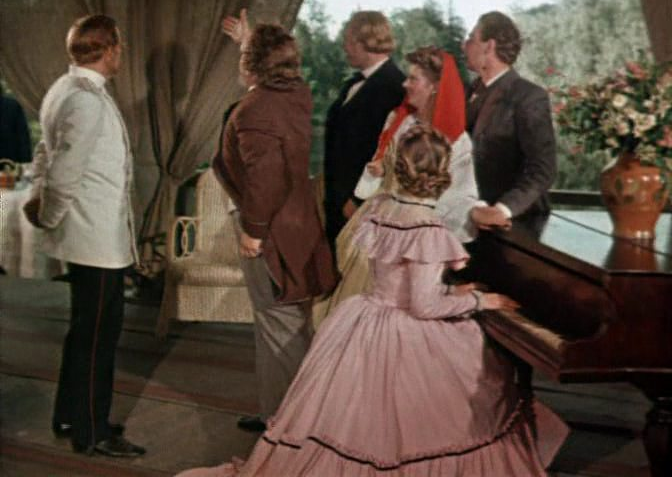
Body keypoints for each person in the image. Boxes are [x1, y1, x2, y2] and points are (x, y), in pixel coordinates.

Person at [176, 124, 568, 477]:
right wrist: (482, 302)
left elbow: (404, 285)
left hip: (362, 318)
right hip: (405, 327)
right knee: (474, 373)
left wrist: (455, 292)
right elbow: (424, 307)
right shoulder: (427, 228)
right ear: (444, 175)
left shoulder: (382, 210)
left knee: (353, 418)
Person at [22, 15, 145, 457]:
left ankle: (70, 414)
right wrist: (48, 213)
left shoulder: (65, 88)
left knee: (83, 331)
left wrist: (39, 200)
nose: (120, 54)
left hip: (93, 236)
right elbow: (64, 169)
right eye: (119, 47)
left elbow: (44, 151)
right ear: (109, 49)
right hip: (95, 240)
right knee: (98, 338)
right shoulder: (85, 100)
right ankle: (92, 432)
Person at [214, 21, 338, 433]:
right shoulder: (296, 95)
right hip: (298, 226)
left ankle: (293, 422)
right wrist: (249, 45)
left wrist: (253, 230)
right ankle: (278, 412)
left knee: (279, 325)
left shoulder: (255, 110)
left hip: (272, 232)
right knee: (284, 324)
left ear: (251, 67)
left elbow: (266, 178)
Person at [314, 46, 485, 323]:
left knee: (397, 308)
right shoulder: (398, 120)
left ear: (434, 88)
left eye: (413, 79)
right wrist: (378, 172)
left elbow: (459, 196)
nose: (405, 84)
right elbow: (380, 168)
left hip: (413, 237)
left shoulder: (456, 141)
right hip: (376, 223)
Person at [464, 11, 557, 229]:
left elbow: (543, 168)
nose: (464, 45)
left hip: (516, 225)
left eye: (471, 38)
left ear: (489, 46)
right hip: (468, 220)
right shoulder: (468, 91)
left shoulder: (528, 96)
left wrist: (502, 210)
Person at [323, 10, 405, 252]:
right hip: (339, 200)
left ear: (366, 42)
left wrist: (359, 201)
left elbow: (387, 152)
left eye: (348, 41)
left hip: (360, 207)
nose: (344, 47)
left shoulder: (394, 86)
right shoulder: (355, 82)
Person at [0, 81, 32, 163]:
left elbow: (23, 136)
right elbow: (24, 137)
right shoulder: (13, 105)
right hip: (11, 162)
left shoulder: (13, 106)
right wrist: (26, 161)